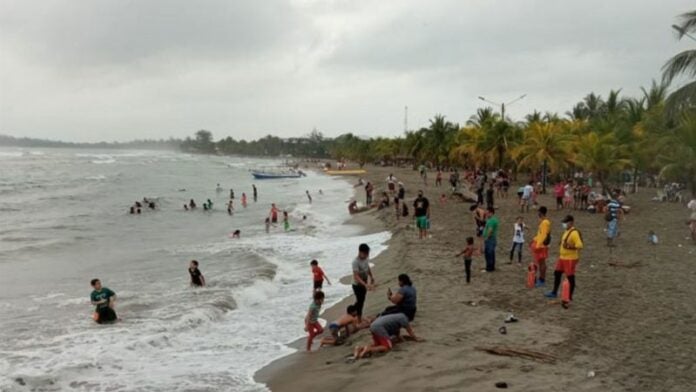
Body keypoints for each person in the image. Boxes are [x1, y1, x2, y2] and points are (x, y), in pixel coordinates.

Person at [546, 215, 583, 307]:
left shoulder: (574, 233)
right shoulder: (567, 231)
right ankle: (554, 292)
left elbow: (580, 245)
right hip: (562, 257)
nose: (564, 224)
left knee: (570, 277)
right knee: (557, 273)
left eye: (565, 222)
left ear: (571, 222)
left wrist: (571, 247)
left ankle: (569, 297)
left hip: (570, 258)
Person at [353, 313, 422, 360]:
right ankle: (369, 349)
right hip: (379, 327)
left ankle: (360, 348)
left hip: (373, 326)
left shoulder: (397, 317)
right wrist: (416, 338)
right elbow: (410, 331)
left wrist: (401, 339)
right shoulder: (404, 319)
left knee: (378, 344)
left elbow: (396, 332)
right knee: (387, 347)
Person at [352, 243, 374, 323]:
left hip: (364, 281)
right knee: (360, 301)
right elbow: (356, 276)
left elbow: (367, 267)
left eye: (367, 254)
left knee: (361, 300)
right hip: (357, 284)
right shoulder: (355, 262)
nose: (366, 256)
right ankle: (359, 320)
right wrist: (365, 284)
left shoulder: (365, 258)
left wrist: (371, 276)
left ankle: (352, 312)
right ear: (360, 252)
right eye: (365, 254)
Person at [531, 206, 551, 287]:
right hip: (540, 244)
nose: (537, 214)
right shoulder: (543, 222)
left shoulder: (545, 222)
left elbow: (544, 235)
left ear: (541, 213)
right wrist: (534, 239)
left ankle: (542, 279)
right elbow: (540, 234)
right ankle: (541, 279)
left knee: (542, 263)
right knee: (540, 263)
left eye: (538, 212)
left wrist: (538, 245)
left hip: (541, 246)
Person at [483, 207, 499, 272]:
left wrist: (487, 237)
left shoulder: (491, 221)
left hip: (490, 239)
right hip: (492, 239)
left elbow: (490, 230)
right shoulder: (492, 220)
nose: (486, 214)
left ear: (491, 213)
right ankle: (492, 267)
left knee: (488, 253)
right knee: (491, 253)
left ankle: (489, 268)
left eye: (487, 213)